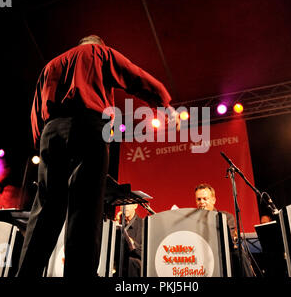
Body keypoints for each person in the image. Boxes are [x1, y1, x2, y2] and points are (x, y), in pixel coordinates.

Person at [17, 35, 178, 279]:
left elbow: (35, 110)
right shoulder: (99, 53)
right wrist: (163, 102)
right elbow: (134, 75)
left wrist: (42, 141)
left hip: (52, 133)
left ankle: (26, 273)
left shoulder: (52, 64)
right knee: (84, 209)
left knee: (45, 210)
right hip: (89, 127)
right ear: (97, 45)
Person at [194, 183, 256, 277]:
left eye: (205, 198)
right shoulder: (193, 221)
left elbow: (228, 242)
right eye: (199, 199)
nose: (201, 202)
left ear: (213, 200)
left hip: (221, 255)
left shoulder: (226, 217)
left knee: (238, 254)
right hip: (200, 255)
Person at [114, 204, 142, 277]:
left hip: (134, 264)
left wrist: (132, 243)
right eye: (122, 204)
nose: (125, 206)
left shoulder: (143, 224)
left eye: (128, 204)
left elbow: (145, 253)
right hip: (118, 261)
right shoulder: (118, 222)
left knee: (130, 261)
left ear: (135, 205)